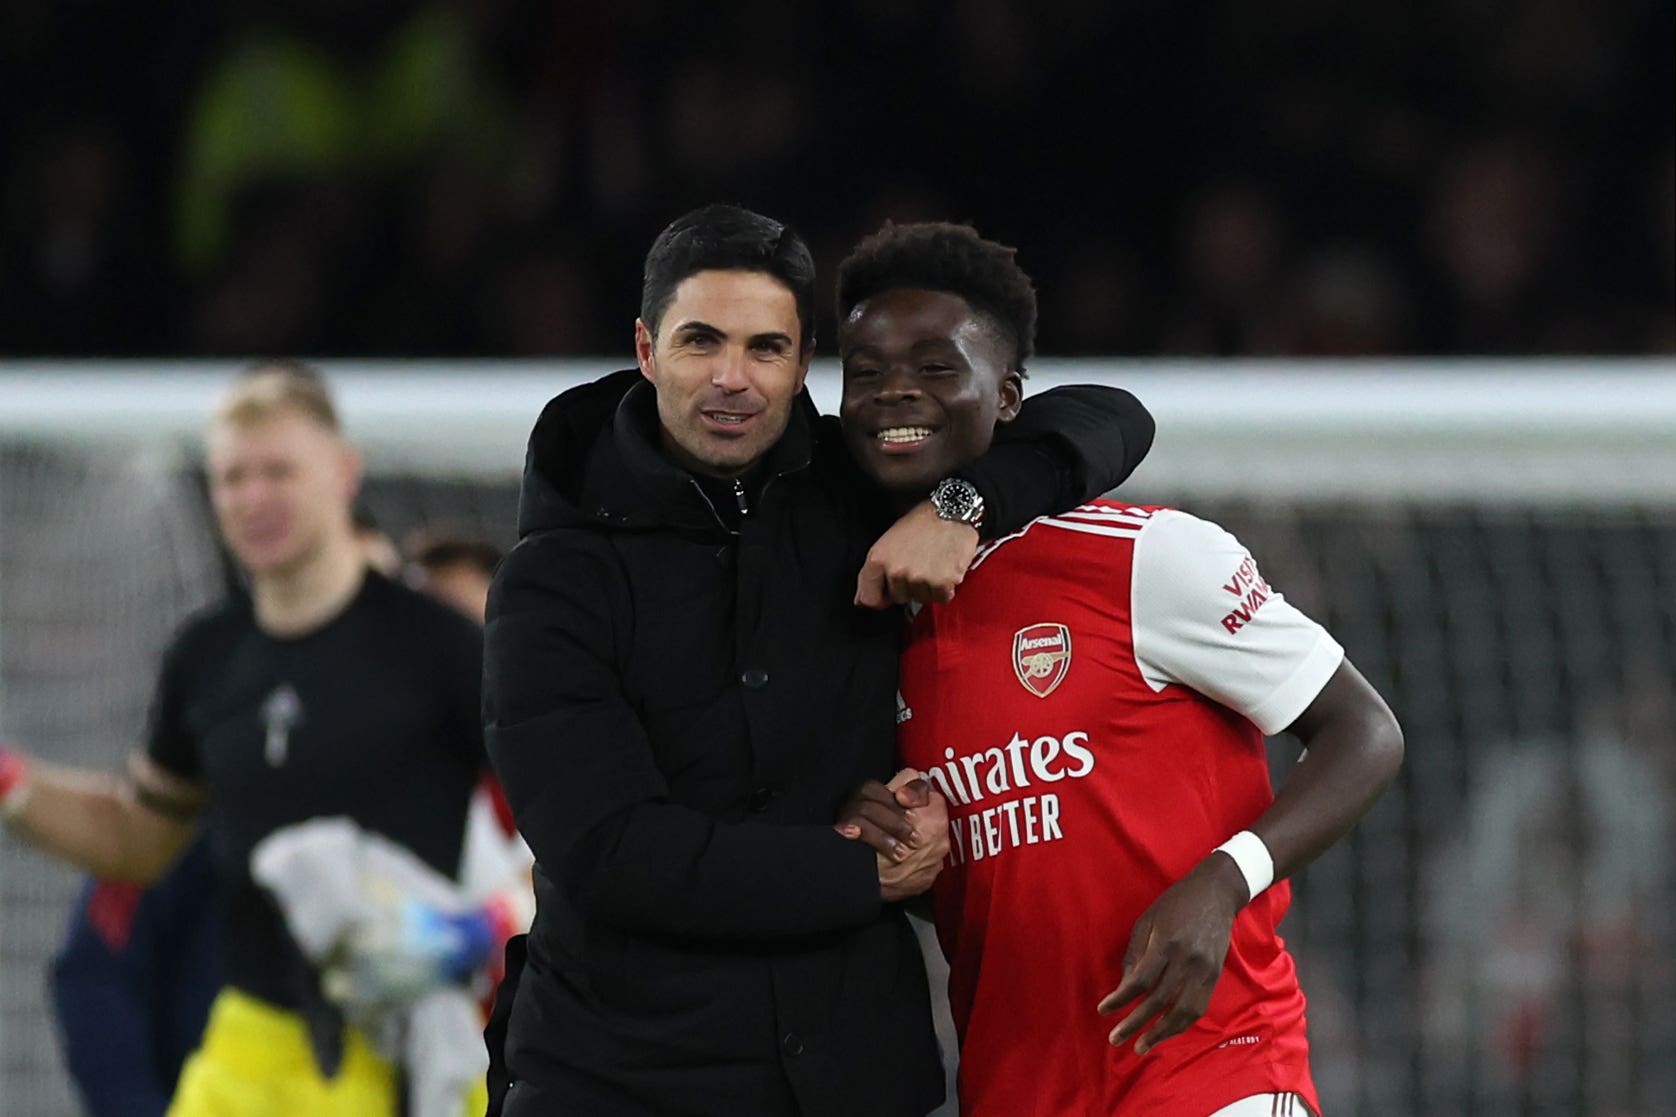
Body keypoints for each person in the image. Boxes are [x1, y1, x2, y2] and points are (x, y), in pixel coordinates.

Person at [481, 203, 1154, 1117]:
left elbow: (1109, 416)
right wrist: (859, 875)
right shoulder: (552, 579)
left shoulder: (865, 489)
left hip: (854, 1080)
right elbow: (611, 850)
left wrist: (962, 504)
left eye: (766, 348)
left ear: (805, 364)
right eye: (699, 341)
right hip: (620, 1080)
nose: (732, 379)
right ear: (644, 348)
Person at [833, 221, 1405, 1117]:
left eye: (939, 366)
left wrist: (1224, 880)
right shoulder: (868, 623)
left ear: (1011, 396)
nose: (897, 389)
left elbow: (1365, 731)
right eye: (865, 373)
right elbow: (1004, 867)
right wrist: (898, 847)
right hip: (1018, 1089)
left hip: (1218, 1072)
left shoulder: (1144, 559)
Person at [0, 364, 499, 1117]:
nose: (252, 496)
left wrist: (489, 926)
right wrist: (7, 781)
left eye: (278, 471)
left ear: (342, 473)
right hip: (249, 1042)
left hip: (402, 1051)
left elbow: (563, 822)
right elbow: (140, 838)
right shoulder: (206, 653)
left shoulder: (439, 646)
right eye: (232, 476)